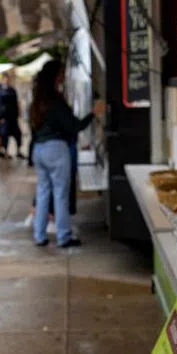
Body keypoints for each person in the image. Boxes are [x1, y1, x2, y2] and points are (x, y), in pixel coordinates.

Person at [29, 59, 104, 248]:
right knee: (60, 193)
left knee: (43, 192)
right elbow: (74, 126)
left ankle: (39, 235)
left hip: (38, 150)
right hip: (56, 149)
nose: (64, 76)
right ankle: (63, 236)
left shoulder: (36, 102)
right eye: (62, 73)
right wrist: (93, 113)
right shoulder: (56, 101)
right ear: (55, 76)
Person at [0, 70, 23, 159]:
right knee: (4, 135)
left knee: (18, 134)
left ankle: (18, 151)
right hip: (3, 118)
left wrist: (18, 114)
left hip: (12, 117)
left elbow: (16, 103)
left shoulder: (12, 89)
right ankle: (5, 151)